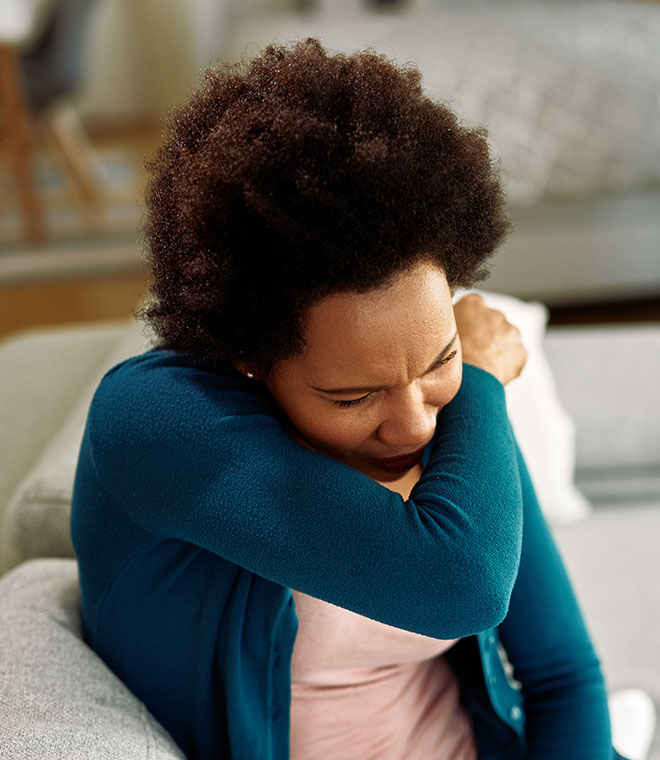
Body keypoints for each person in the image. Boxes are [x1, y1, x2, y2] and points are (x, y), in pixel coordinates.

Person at [70, 38, 626, 760]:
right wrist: (481, 377)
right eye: (353, 395)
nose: (416, 421)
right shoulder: (154, 423)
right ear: (249, 359)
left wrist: (464, 382)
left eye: (441, 360)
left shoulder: (444, 409)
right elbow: (462, 584)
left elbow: (561, 676)